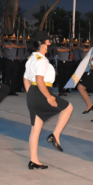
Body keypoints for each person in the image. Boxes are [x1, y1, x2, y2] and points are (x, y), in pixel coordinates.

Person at [23, 30, 73, 169]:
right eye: (48, 41)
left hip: (34, 93)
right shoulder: (41, 60)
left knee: (35, 129)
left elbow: (26, 78)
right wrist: (48, 97)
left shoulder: (31, 59)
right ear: (42, 44)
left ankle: (34, 160)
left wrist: (31, 95)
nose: (50, 44)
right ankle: (55, 135)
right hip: (42, 92)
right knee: (68, 107)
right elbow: (39, 80)